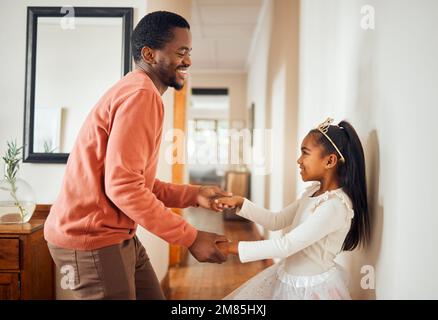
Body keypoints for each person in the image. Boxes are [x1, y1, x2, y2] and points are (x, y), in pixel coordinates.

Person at [44, 11, 231, 300]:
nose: (188, 61)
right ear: (150, 54)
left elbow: (134, 182)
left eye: (189, 52)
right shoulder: (141, 95)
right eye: (181, 52)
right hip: (92, 239)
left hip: (117, 234)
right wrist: (191, 237)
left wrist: (193, 194)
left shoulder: (138, 90)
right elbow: (124, 187)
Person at [215, 118, 370, 300]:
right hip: (290, 282)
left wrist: (230, 248)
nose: (299, 160)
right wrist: (241, 203)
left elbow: (285, 246)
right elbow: (276, 221)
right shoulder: (313, 193)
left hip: (311, 291)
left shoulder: (335, 206)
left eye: (305, 153)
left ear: (330, 161)